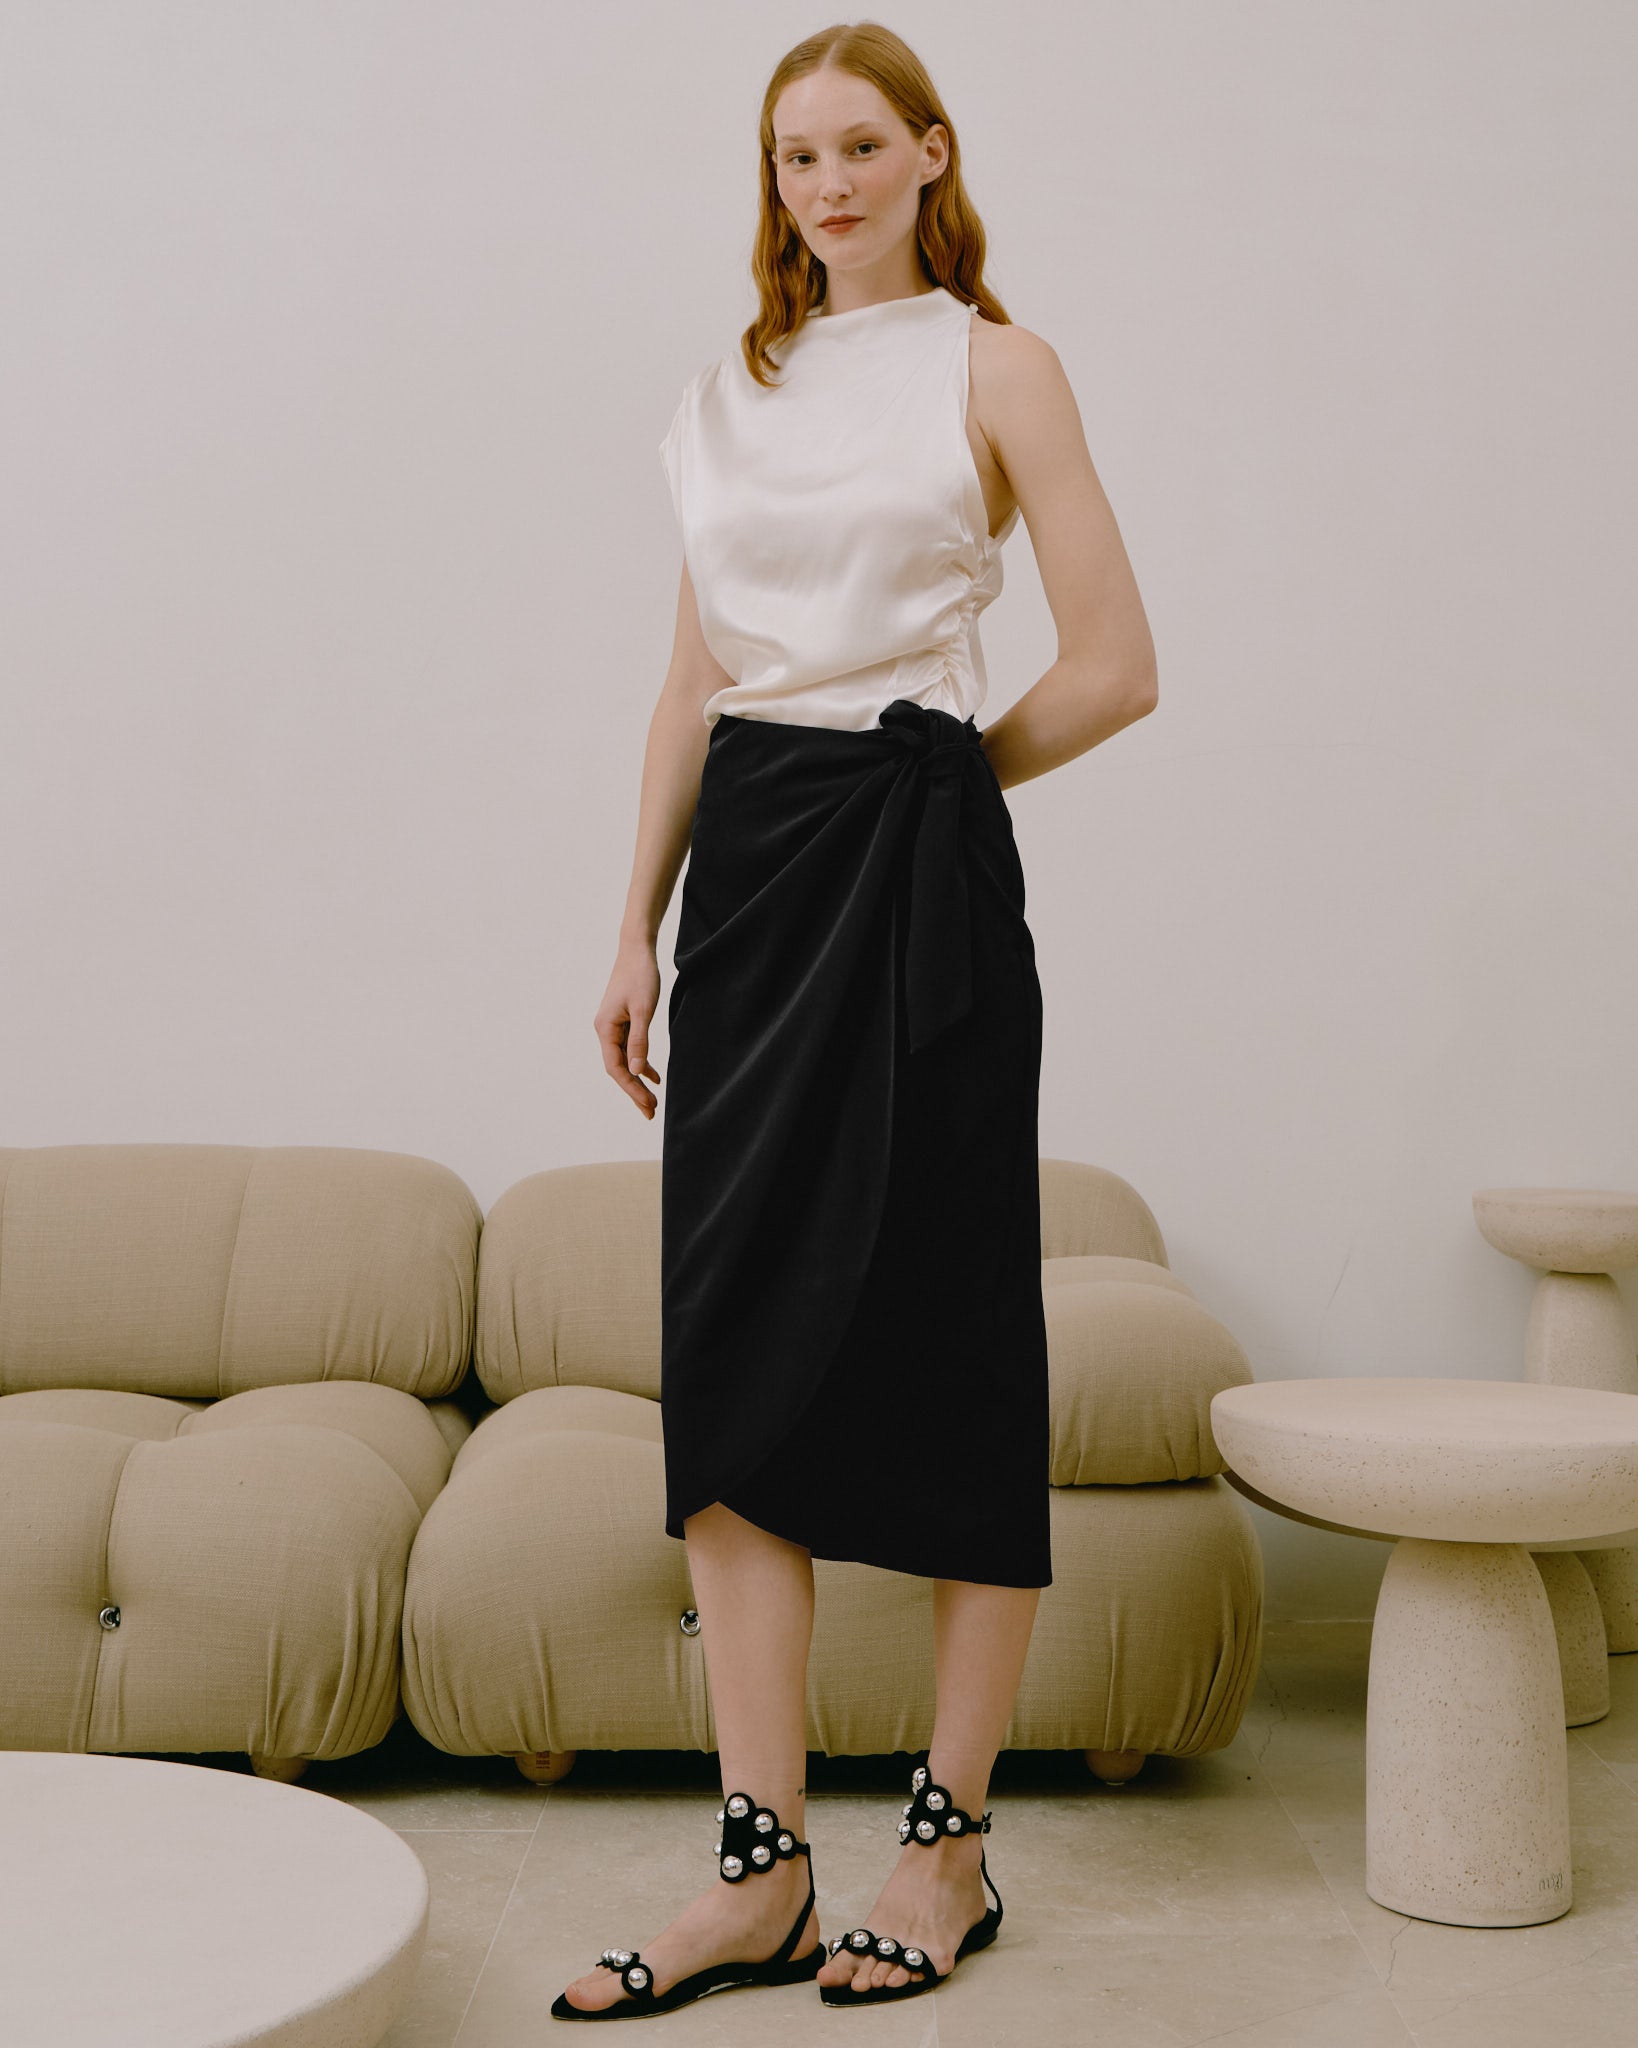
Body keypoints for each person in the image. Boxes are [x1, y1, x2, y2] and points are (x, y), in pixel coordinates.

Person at [559, 22, 1157, 2023]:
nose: (824, 183)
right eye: (793, 154)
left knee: (957, 1332)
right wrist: (634, 928)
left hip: (917, 878)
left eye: (857, 146)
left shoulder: (1001, 368)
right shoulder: (727, 390)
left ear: (929, 155)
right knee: (729, 1354)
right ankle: (761, 1867)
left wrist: (937, 786)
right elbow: (690, 685)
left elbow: (1116, 662)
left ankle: (945, 1843)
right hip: (748, 878)